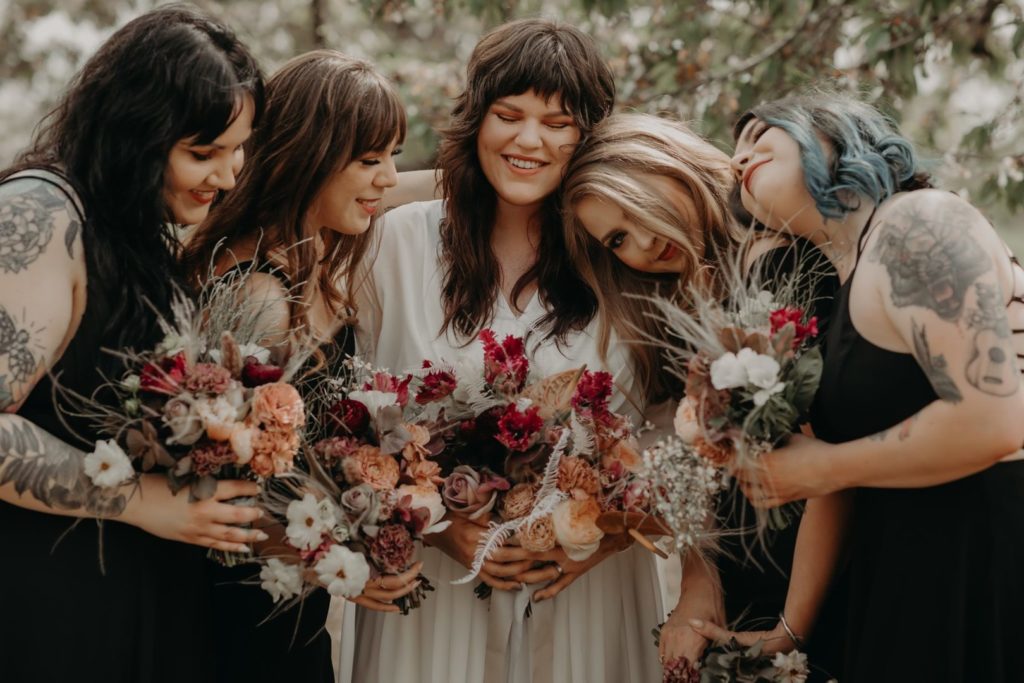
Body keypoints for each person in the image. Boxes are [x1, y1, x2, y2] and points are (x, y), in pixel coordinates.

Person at [348, 18, 662, 683]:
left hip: (586, 596)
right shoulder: (393, 246)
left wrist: (595, 537)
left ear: (591, 137)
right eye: (508, 114)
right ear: (476, 120)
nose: (528, 140)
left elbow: (670, 438)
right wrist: (437, 527)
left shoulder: (629, 258)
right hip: (436, 595)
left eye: (558, 122)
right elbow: (350, 421)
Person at [0, 5, 266, 682]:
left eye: (239, 149)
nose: (228, 176)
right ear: (134, 136)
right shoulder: (42, 213)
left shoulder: (137, 230)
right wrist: (141, 500)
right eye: (202, 153)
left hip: (145, 593)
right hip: (52, 608)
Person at [724, 91, 1024, 682]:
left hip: (985, 561)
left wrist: (821, 468)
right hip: (903, 570)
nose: (739, 161)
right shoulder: (841, 286)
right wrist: (786, 634)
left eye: (761, 138)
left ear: (833, 131)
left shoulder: (919, 223)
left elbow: (996, 419)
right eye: (733, 158)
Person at [561, 112, 844, 681]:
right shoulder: (685, 308)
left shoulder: (783, 269)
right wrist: (699, 582)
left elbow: (830, 474)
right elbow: (705, 475)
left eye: (639, 205)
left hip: (816, 588)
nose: (641, 242)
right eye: (617, 239)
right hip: (744, 588)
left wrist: (792, 629)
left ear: (675, 165)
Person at [183, 49, 426, 683]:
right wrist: (337, 556)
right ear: (305, 156)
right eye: (371, 160)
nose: (388, 177)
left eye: (394, 155)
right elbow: (213, 488)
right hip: (240, 619)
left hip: (290, 603)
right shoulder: (259, 295)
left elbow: (415, 184)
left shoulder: (307, 253)